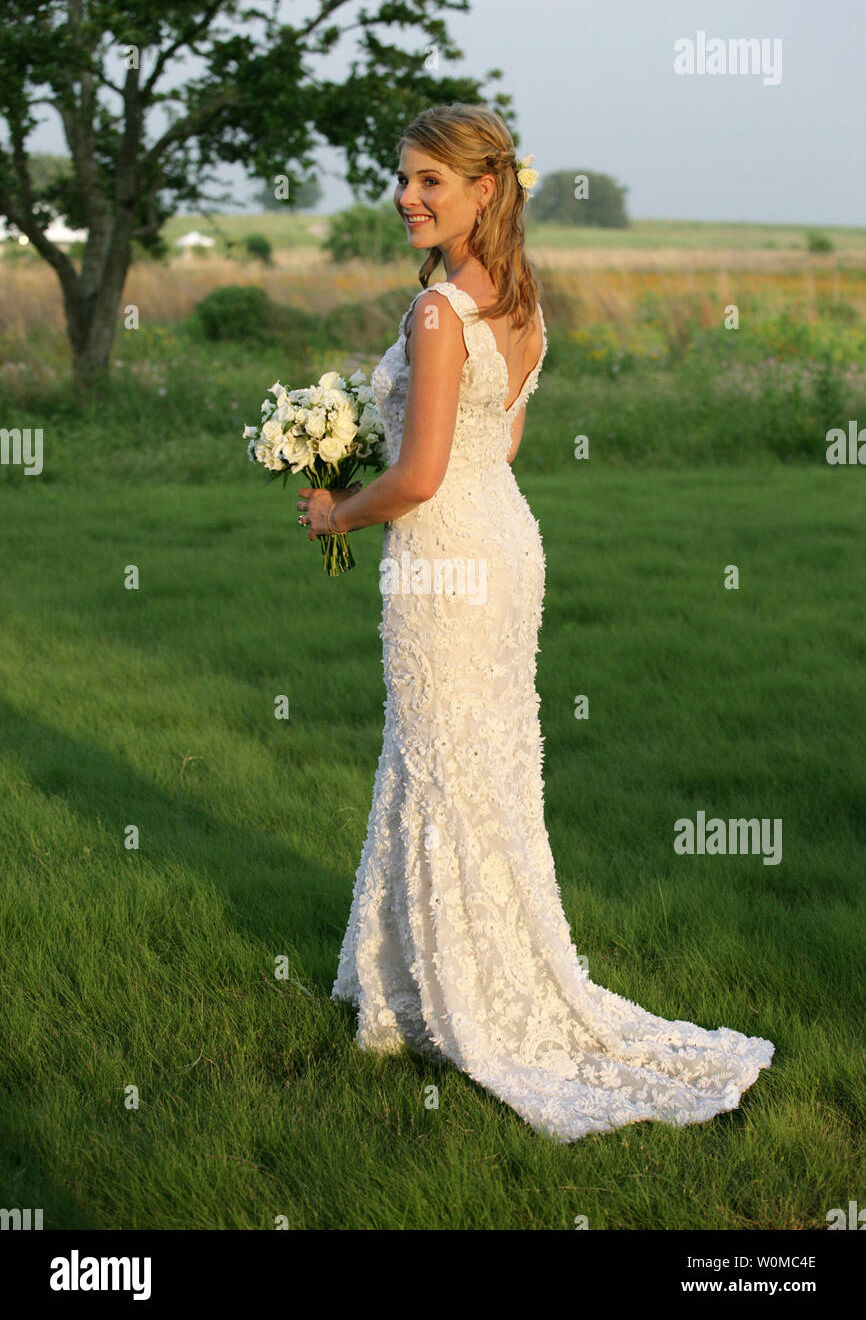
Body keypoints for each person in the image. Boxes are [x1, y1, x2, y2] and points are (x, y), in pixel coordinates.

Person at [296, 102, 774, 1141]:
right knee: (477, 762)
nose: (406, 196)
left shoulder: (435, 312)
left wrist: (336, 505)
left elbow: (419, 474)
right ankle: (426, 977)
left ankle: (457, 998)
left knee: (440, 759)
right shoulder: (517, 301)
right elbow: (493, 451)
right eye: (402, 177)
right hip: (503, 545)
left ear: (482, 189)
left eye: (428, 180)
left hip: (442, 561)